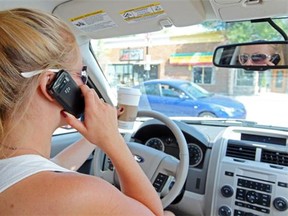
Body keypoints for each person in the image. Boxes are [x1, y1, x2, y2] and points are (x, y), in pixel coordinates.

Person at [0, 8, 174, 215]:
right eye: (80, 75)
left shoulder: (16, 170)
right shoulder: (80, 194)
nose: (85, 86)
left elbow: (48, 167)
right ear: (51, 84)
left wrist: (98, 136)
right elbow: (155, 213)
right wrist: (113, 142)